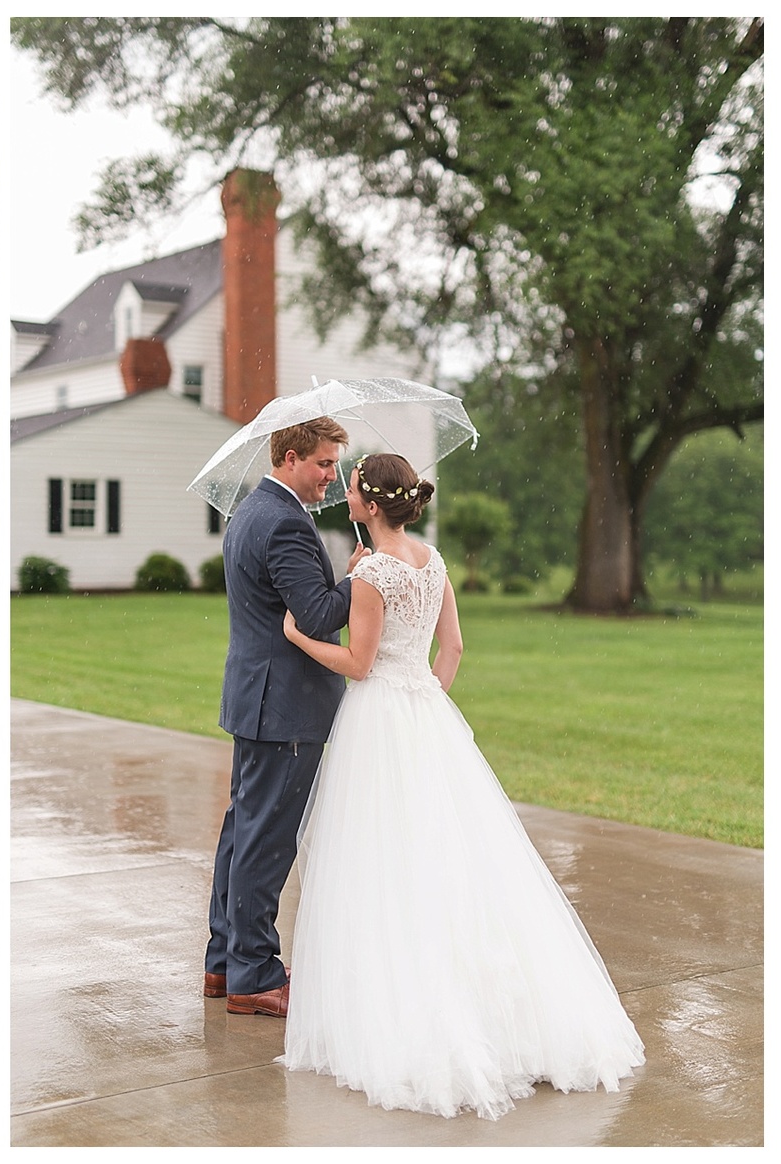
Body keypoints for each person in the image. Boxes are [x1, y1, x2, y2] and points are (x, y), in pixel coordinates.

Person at [276, 453, 644, 1118]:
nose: (347, 493)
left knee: (382, 861)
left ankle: (399, 1007)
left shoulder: (374, 573)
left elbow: (358, 664)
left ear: (368, 503)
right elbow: (453, 649)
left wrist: (300, 635)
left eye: (353, 486)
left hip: (380, 720)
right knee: (455, 854)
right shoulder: (433, 560)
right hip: (426, 716)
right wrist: (427, 697)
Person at [206, 417, 365, 1018]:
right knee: (267, 840)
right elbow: (319, 615)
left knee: (242, 831)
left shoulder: (251, 511)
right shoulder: (285, 526)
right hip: (285, 706)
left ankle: (224, 963)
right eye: (324, 464)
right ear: (290, 457)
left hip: (256, 695)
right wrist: (361, 574)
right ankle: (254, 973)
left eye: (335, 466)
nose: (333, 477)